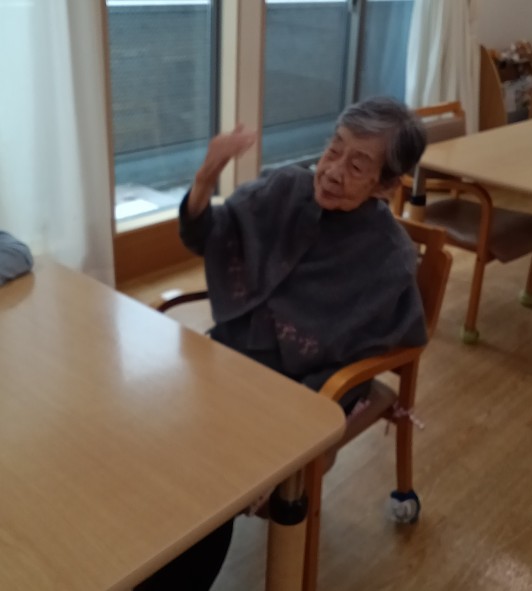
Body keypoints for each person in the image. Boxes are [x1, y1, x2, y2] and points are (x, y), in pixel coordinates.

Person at [137, 97, 428, 591]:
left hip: (291, 396)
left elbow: (361, 360)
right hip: (222, 363)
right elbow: (206, 236)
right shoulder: (283, 188)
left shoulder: (387, 258)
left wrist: (289, 443)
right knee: (143, 448)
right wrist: (207, 176)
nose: (332, 171)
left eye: (357, 165)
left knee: (210, 493)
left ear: (385, 186)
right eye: (334, 149)